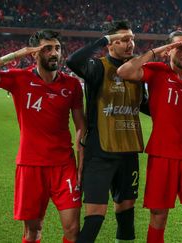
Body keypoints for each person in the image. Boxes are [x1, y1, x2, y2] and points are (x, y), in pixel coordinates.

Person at [117, 30, 182, 243]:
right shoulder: (157, 71)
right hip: (161, 155)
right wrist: (155, 52)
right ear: (169, 50)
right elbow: (124, 71)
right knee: (159, 216)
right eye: (179, 47)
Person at [0, 30, 85, 243]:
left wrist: (80, 165)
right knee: (33, 231)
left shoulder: (72, 85)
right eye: (47, 49)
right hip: (30, 166)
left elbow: (81, 127)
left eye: (57, 48)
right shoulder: (19, 78)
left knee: (73, 230)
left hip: (63, 166)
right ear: (34, 53)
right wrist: (15, 55)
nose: (54, 53)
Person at [66, 21, 149, 243]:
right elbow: (72, 61)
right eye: (123, 39)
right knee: (95, 217)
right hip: (99, 152)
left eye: (131, 39)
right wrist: (103, 40)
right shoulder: (97, 67)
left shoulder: (136, 72)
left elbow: (147, 106)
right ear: (111, 44)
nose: (129, 44)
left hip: (129, 151)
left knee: (126, 213)